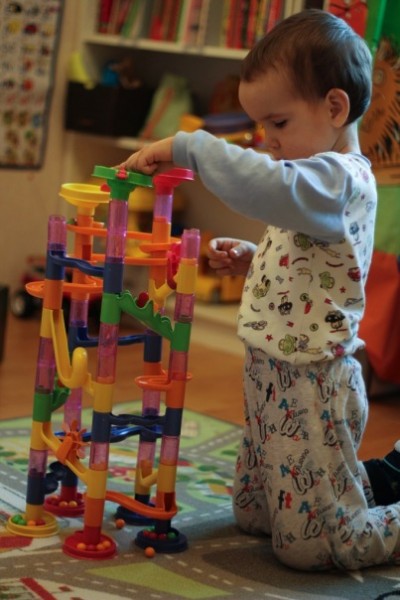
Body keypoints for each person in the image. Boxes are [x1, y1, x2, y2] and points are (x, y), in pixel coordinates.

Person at [117, 9, 400, 571]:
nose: (269, 141)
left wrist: (191, 146)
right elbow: (318, 260)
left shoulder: (337, 177)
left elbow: (265, 186)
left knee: (316, 547)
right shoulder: (313, 176)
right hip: (269, 372)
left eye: (279, 123)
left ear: (335, 107)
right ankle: (354, 486)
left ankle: (359, 509)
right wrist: (255, 259)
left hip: (311, 380)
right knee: (254, 512)